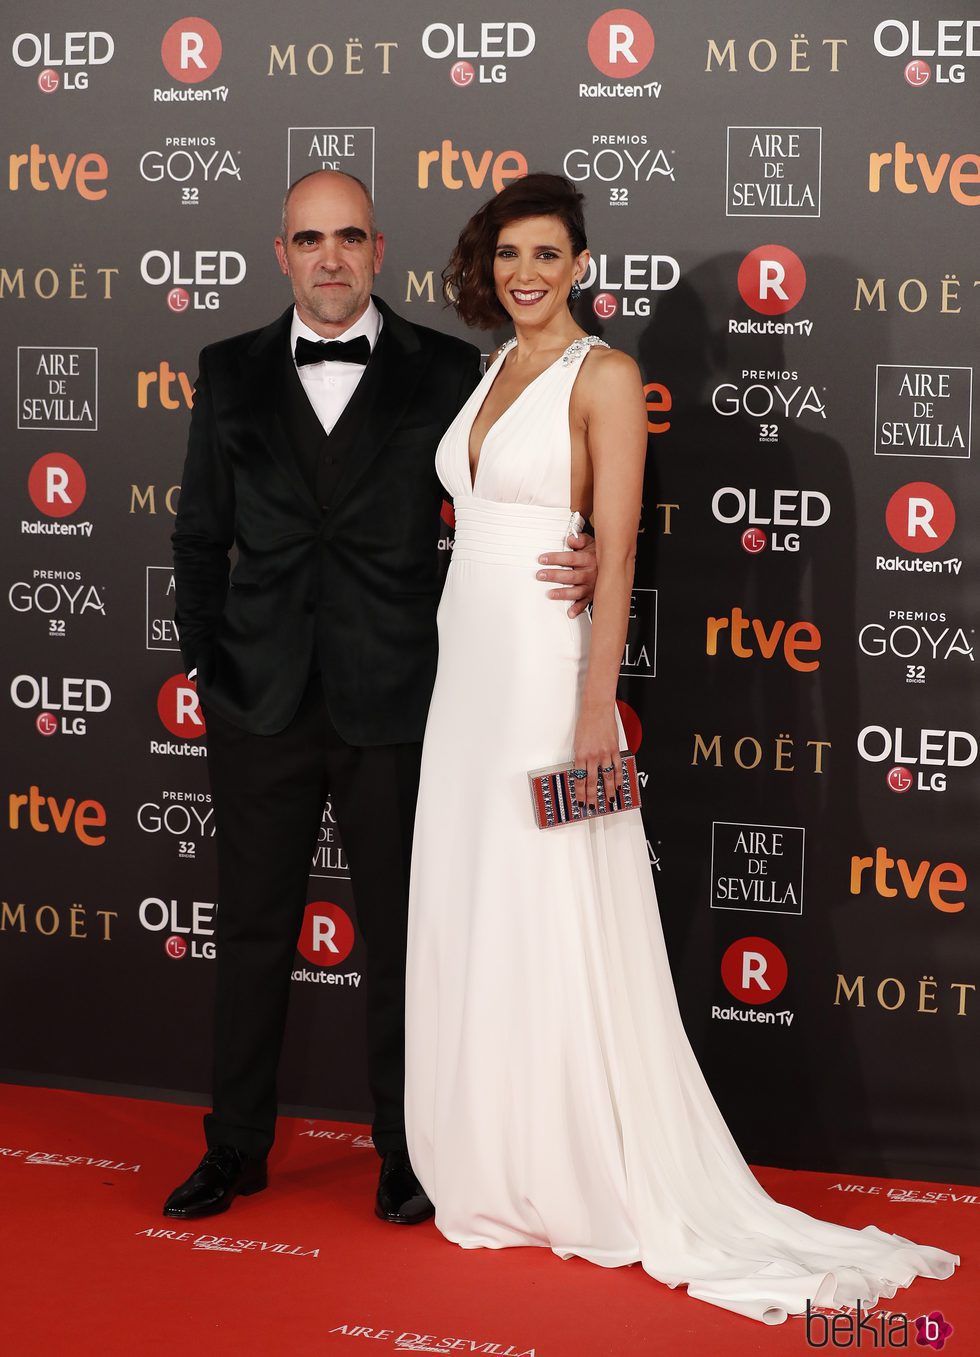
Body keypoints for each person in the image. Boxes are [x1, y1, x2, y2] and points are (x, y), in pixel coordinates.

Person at [403, 173, 958, 1321]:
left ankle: (578, 1162)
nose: (526, 275)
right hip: (468, 679)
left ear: (580, 265)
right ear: (485, 262)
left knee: (560, 901)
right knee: (480, 899)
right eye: (509, 254)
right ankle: (491, 1154)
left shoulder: (602, 375)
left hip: (553, 687)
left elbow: (611, 557)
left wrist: (593, 709)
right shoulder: (488, 369)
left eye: (547, 255)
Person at [164, 170, 597, 1225]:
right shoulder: (225, 371)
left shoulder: (450, 369)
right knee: (254, 930)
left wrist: (577, 550)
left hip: (402, 701)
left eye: (347, 235)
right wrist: (212, 668)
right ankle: (234, 1146)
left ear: (376, 247)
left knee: (409, 940)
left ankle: (407, 1154)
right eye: (307, 238)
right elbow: (198, 537)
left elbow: (520, 490)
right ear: (280, 253)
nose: (328, 256)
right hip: (257, 702)